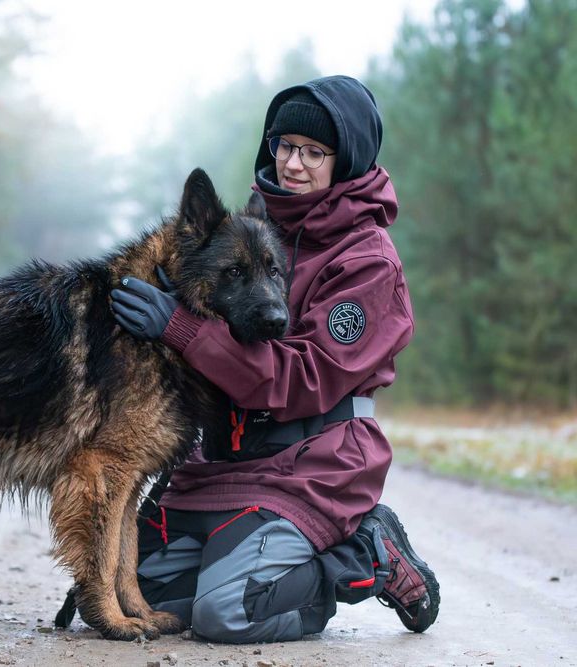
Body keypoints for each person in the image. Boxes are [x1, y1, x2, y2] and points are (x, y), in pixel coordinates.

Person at [109, 75, 440, 643]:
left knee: (228, 614)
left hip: (310, 464)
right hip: (223, 465)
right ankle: (239, 558)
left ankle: (365, 552)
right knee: (137, 597)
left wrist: (180, 327)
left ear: (347, 160)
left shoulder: (367, 260)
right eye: (285, 146)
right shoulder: (251, 228)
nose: (293, 164)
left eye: (314, 152)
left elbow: (306, 377)